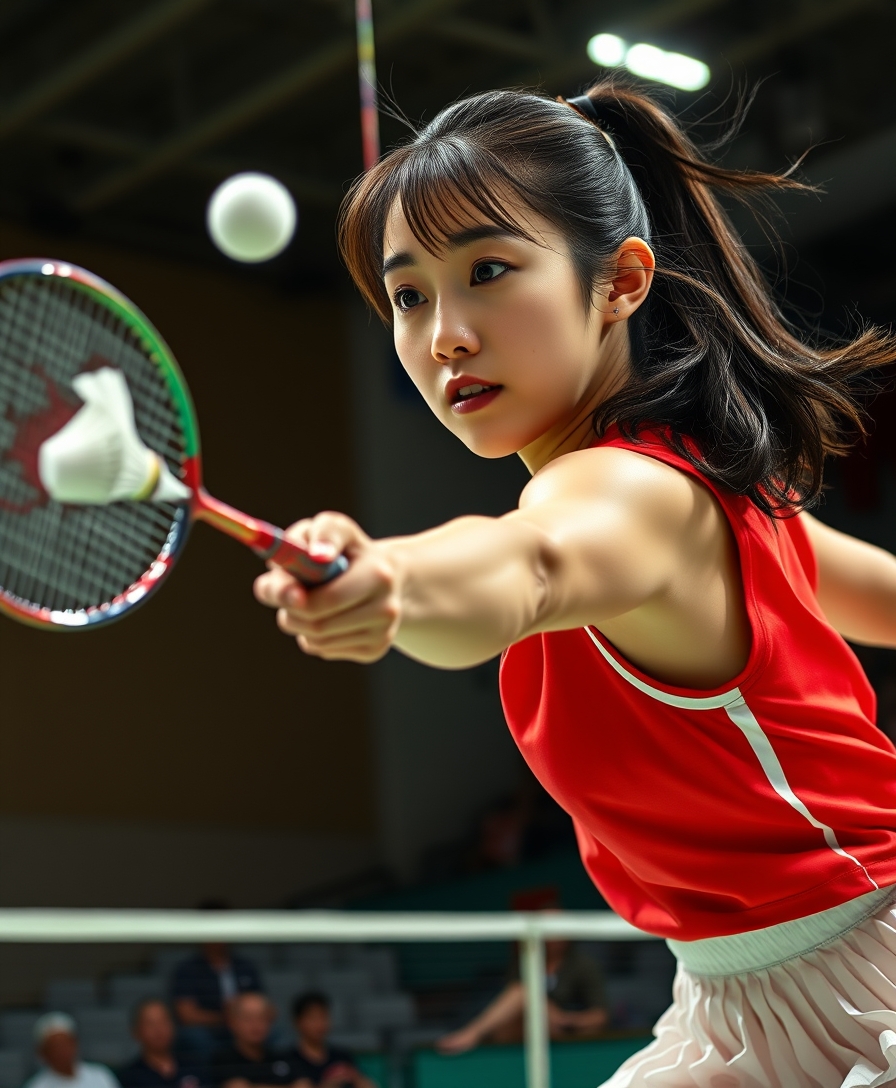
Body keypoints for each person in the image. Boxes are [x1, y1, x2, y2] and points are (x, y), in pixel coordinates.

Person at [253, 77, 896, 1087]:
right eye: (408, 293)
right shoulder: (716, 493)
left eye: (489, 269)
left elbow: (531, 564)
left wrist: (393, 578)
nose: (443, 335)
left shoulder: (628, 496)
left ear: (619, 281)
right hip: (732, 1010)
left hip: (868, 978)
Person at [437, 938, 608, 1053]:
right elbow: (509, 1004)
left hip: (567, 1030)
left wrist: (566, 1019)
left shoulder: (584, 964)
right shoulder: (524, 961)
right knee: (506, 1027)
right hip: (528, 1027)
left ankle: (471, 1034)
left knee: (524, 991)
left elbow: (600, 1016)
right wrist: (544, 1007)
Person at [173, 928, 262, 1063]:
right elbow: (186, 1014)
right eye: (213, 930)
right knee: (195, 1037)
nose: (218, 937)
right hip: (210, 1028)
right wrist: (225, 1016)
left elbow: (263, 1004)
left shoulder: (245, 966)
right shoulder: (188, 969)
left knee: (275, 1035)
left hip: (245, 1024)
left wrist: (243, 1015)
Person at [282, 994, 375, 1088]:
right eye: (312, 1018)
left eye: (323, 1017)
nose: (319, 1024)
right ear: (297, 1022)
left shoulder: (341, 1056)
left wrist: (354, 1077)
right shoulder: (288, 1061)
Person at [210, 993, 299, 1088]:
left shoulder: (284, 1057)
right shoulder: (223, 1060)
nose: (256, 1025)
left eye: (261, 1017)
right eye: (248, 1018)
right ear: (232, 1022)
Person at [118, 999, 203, 1088]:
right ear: (136, 1031)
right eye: (150, 1024)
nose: (158, 1029)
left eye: (163, 1021)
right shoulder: (129, 1077)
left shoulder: (194, 1066)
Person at [24, 1014, 119, 1088]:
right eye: (54, 1047)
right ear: (43, 1053)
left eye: (65, 1044)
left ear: (75, 1044)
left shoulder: (100, 1075)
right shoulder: (37, 1086)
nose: (61, 1052)